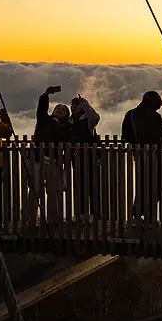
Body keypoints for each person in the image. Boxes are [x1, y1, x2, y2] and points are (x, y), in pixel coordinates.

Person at [122, 91, 162, 220]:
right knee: (157, 186)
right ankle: (145, 215)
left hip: (138, 156)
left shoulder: (130, 114)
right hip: (156, 157)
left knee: (142, 185)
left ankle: (138, 215)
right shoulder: (154, 117)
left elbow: (125, 135)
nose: (160, 106)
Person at [30, 86, 72, 222]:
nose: (60, 110)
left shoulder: (66, 129)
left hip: (54, 161)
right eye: (58, 108)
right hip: (38, 158)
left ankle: (53, 218)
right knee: (36, 189)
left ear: (67, 115)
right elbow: (41, 108)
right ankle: (30, 218)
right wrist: (46, 94)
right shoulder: (44, 120)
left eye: (64, 110)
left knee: (53, 191)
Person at [69, 95, 101, 219]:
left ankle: (93, 213)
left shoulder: (88, 120)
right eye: (72, 105)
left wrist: (86, 104)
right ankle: (81, 213)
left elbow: (95, 117)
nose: (73, 107)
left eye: (76, 105)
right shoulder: (70, 121)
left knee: (92, 184)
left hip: (90, 156)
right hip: (76, 157)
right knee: (79, 185)